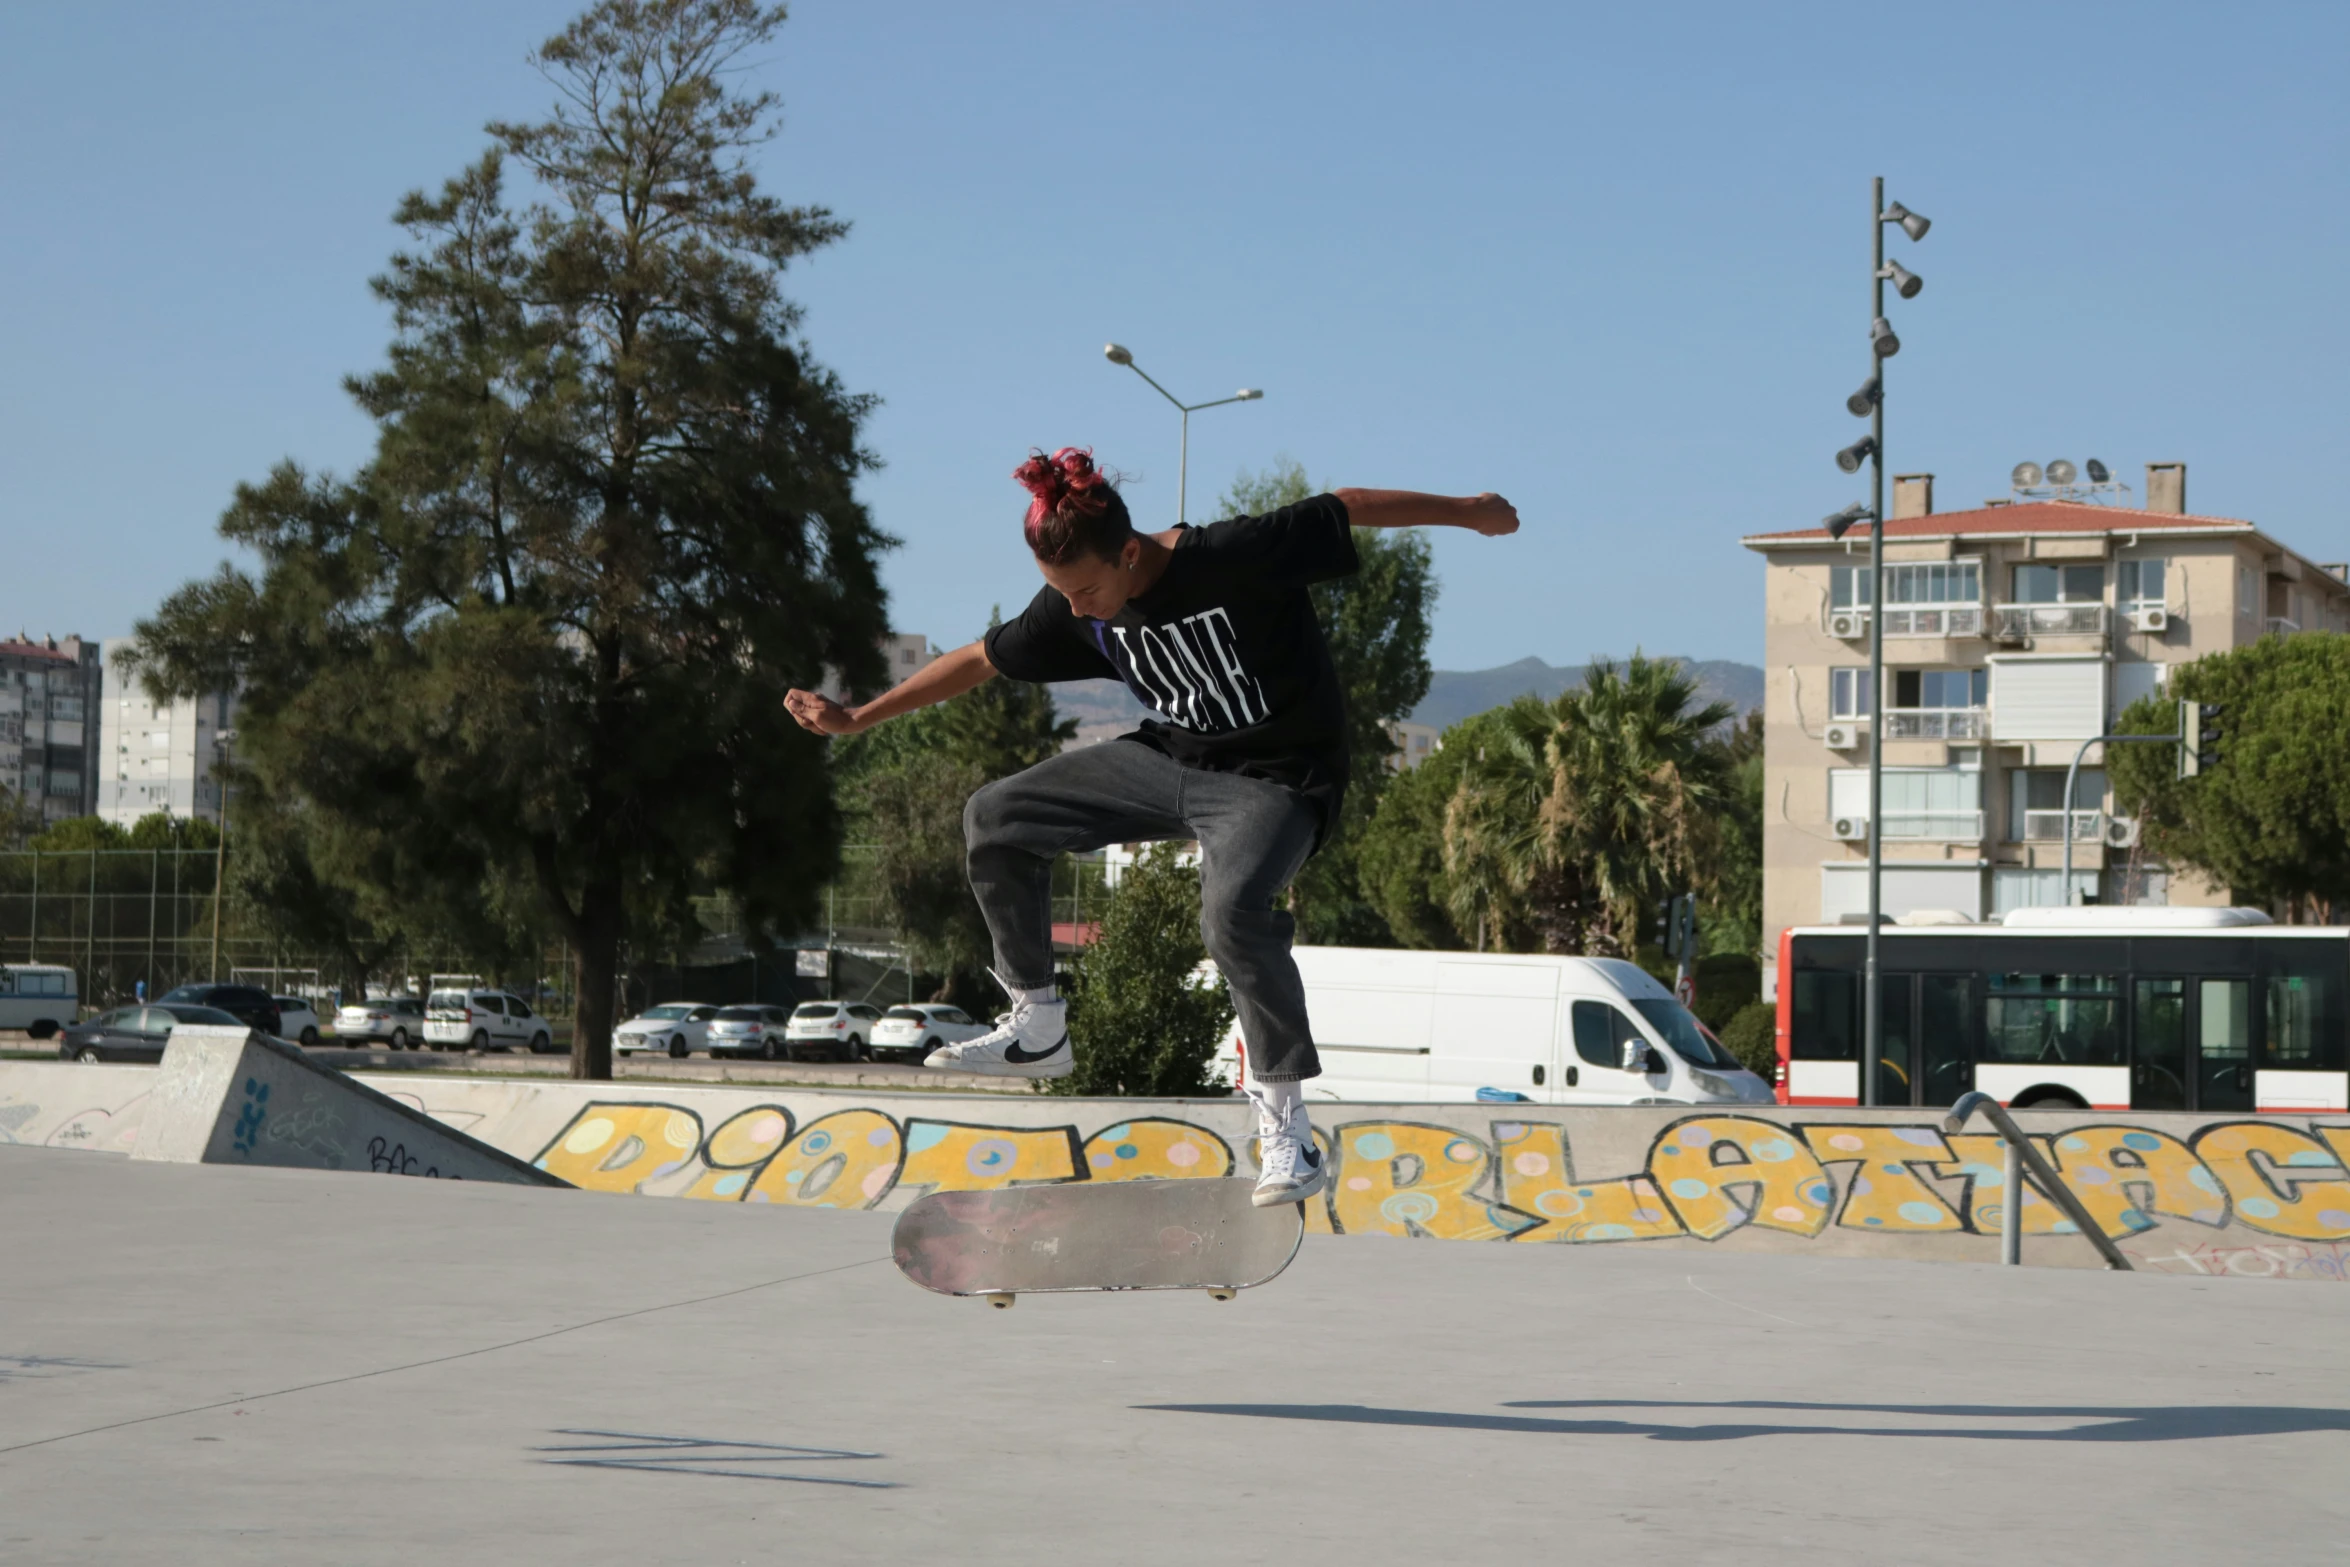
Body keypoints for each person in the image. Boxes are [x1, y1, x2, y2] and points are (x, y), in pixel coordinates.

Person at [786, 449, 1518, 1206]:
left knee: (1231, 912)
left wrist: (1471, 509)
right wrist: (858, 718)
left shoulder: (1230, 555)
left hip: (1280, 779)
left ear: (1131, 552)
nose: (1077, 611)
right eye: (1061, 595)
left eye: (1089, 590)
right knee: (997, 816)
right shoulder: (1075, 602)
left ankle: (1287, 1130)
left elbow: (1348, 501)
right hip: (1173, 763)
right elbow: (979, 658)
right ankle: (1037, 1023)